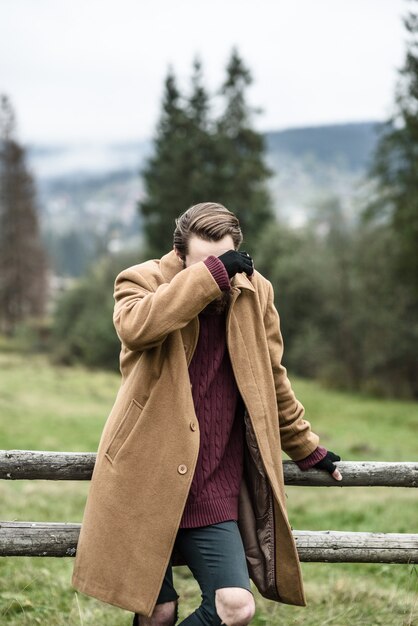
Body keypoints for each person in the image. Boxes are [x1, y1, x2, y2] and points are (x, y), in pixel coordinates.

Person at [71, 202, 342, 626]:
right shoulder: (141, 280)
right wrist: (211, 275)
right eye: (204, 262)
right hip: (144, 477)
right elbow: (136, 327)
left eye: (226, 260)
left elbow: (272, 378)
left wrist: (305, 446)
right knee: (158, 612)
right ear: (179, 255)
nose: (220, 275)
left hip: (214, 483)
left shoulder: (256, 291)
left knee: (236, 607)